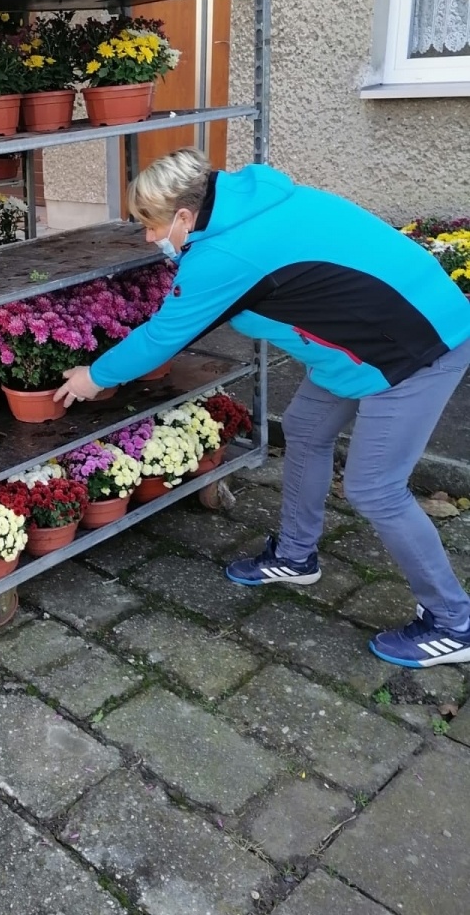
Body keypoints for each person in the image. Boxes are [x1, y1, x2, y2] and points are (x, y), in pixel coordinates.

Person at [53, 148, 470, 668]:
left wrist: (93, 376)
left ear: (183, 215)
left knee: (375, 488)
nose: (148, 238)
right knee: (305, 427)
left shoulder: (227, 254)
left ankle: (454, 623)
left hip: (418, 346)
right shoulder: (251, 201)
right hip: (365, 340)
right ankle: (296, 556)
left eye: (151, 224)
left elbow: (162, 338)